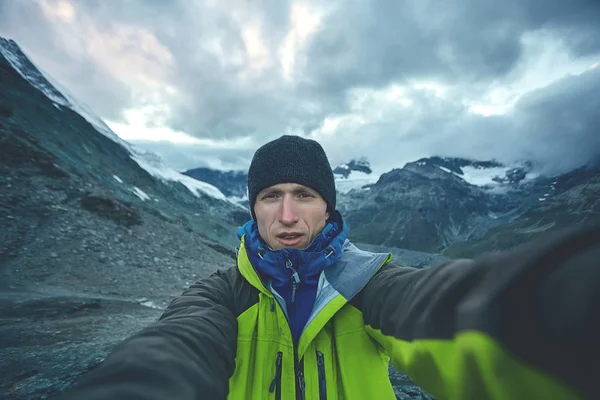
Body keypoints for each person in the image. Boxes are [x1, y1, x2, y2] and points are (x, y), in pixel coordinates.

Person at [58, 135, 598, 400]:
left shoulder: (368, 284)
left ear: (329, 207)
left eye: (304, 195)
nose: (287, 215)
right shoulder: (222, 295)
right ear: (252, 207)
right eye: (270, 196)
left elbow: (449, 311)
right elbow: (175, 347)